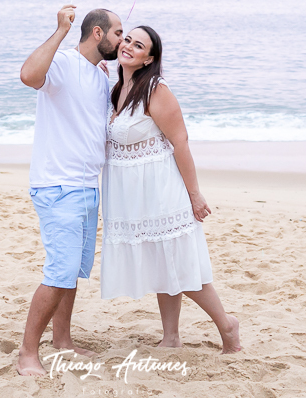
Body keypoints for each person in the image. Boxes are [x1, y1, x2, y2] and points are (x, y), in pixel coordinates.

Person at [101, 25, 241, 353]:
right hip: (133, 196)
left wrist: (195, 195)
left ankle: (226, 324)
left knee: (178, 264)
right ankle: (171, 337)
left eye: (139, 45)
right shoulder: (118, 87)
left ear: (149, 57)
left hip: (161, 191)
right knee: (163, 264)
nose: (129, 47)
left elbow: (180, 143)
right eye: (128, 40)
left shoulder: (155, 89)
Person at [16, 4, 123, 376]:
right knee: (59, 270)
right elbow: (29, 75)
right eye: (118, 33)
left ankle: (62, 340)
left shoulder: (99, 75)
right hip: (58, 184)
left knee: (72, 271)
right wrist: (61, 30)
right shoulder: (61, 62)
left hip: (86, 186)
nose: (121, 40)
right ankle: (28, 353)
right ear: (98, 33)